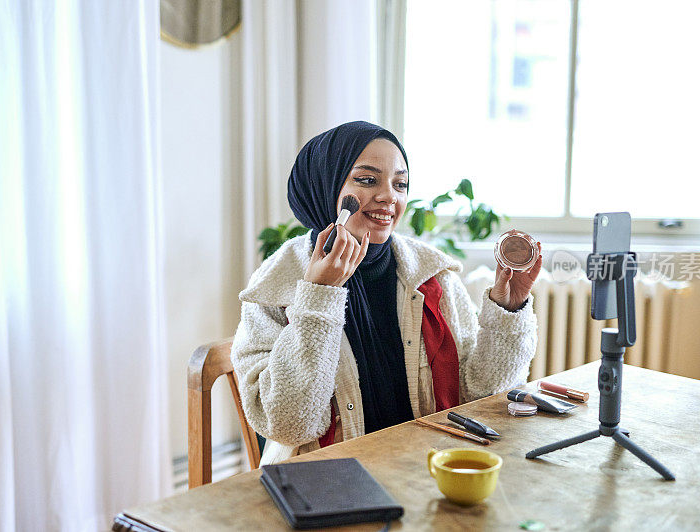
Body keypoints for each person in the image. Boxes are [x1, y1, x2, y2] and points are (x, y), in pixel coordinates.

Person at [231, 121, 541, 465]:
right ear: (324, 185)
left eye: (400, 183)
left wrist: (507, 310)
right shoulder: (275, 288)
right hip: (325, 479)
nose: (389, 197)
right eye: (367, 180)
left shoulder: (433, 275)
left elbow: (482, 397)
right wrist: (319, 294)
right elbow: (290, 425)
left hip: (427, 468)